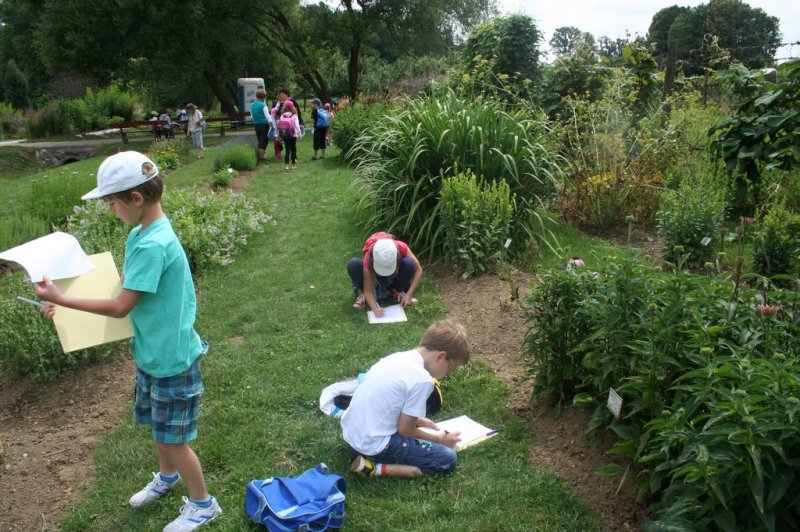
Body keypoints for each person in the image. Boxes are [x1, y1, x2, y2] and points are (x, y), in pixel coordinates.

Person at [33, 151, 222, 531]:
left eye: (111, 203)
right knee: (159, 428)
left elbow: (120, 306)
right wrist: (65, 309)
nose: (110, 211)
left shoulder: (154, 246)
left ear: (135, 199)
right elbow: (124, 288)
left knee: (173, 439)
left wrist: (60, 298)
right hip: (153, 352)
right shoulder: (141, 234)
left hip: (171, 359)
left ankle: (203, 504)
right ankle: (167, 479)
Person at [341, 320, 469, 478]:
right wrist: (439, 439)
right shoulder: (422, 379)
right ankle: (375, 468)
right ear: (441, 356)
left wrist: (418, 420)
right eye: (451, 368)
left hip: (352, 435)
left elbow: (391, 403)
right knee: (447, 458)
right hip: (373, 445)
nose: (448, 374)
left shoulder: (397, 357)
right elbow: (405, 430)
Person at [346, 231, 422, 314]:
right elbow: (368, 291)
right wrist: (375, 308)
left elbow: (418, 270)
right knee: (353, 264)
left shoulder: (401, 246)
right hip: (373, 278)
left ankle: (396, 291)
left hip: (393, 277)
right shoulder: (369, 257)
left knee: (409, 262)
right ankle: (364, 293)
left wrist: (409, 294)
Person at [276, 100, 301, 171]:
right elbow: (297, 126)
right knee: (293, 149)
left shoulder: (282, 116)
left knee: (287, 150)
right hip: (293, 135)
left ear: (284, 107)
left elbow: (280, 126)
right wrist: (299, 134)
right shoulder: (294, 115)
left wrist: (279, 135)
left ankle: (286, 166)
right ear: (292, 107)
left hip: (285, 135)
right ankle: (293, 165)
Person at [250, 89, 272, 163]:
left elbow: (252, 116)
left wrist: (256, 121)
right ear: (264, 96)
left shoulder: (252, 105)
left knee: (260, 140)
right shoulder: (263, 105)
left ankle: (260, 156)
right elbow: (267, 116)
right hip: (264, 124)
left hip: (256, 125)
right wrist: (272, 124)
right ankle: (261, 158)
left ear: (256, 96)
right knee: (263, 141)